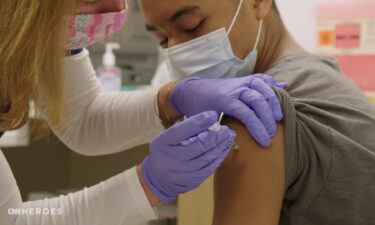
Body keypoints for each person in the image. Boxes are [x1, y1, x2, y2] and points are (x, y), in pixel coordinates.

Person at [0, 0, 285, 224]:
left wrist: (171, 100)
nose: (115, 8)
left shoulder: (48, 27)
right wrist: (146, 185)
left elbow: (81, 117)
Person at [138, 0, 375, 224]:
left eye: (192, 26)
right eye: (162, 39)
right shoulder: (325, 77)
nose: (177, 51)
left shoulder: (256, 112)